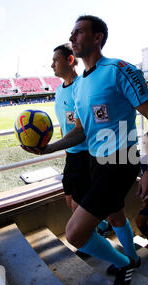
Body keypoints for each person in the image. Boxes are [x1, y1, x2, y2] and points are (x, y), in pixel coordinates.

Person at [22, 15, 148, 285]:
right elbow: (82, 131)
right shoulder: (82, 84)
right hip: (95, 162)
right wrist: (48, 148)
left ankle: (125, 263)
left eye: (78, 32)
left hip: (121, 161)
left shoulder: (120, 70)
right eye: (71, 33)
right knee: (113, 215)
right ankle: (130, 259)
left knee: (75, 233)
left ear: (98, 37)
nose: (72, 38)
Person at [51, 43, 90, 214]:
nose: (52, 65)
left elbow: (82, 127)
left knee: (78, 207)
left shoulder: (82, 86)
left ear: (70, 60)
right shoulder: (59, 90)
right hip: (71, 155)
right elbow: (63, 124)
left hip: (86, 154)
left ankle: (94, 234)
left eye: (56, 60)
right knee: (69, 202)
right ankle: (101, 227)